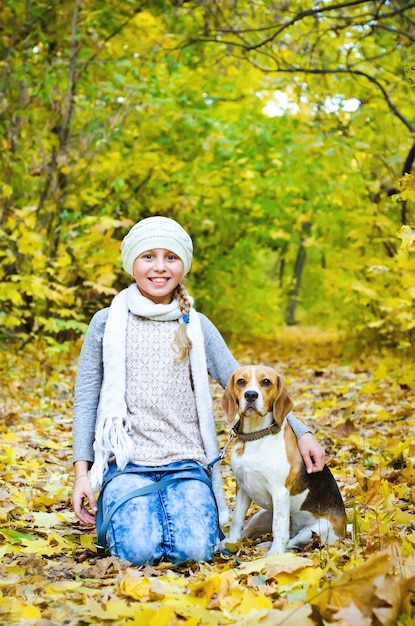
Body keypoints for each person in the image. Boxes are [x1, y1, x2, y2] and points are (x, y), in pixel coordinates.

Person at [72, 216, 325, 566]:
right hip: (126, 463)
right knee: (137, 551)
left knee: (192, 552)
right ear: (131, 262)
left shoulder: (197, 325)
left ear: (183, 266)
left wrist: (302, 431)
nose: (159, 267)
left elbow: (245, 385)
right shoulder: (105, 322)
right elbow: (86, 401)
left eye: (170, 257)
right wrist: (82, 474)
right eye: (148, 257)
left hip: (186, 465)